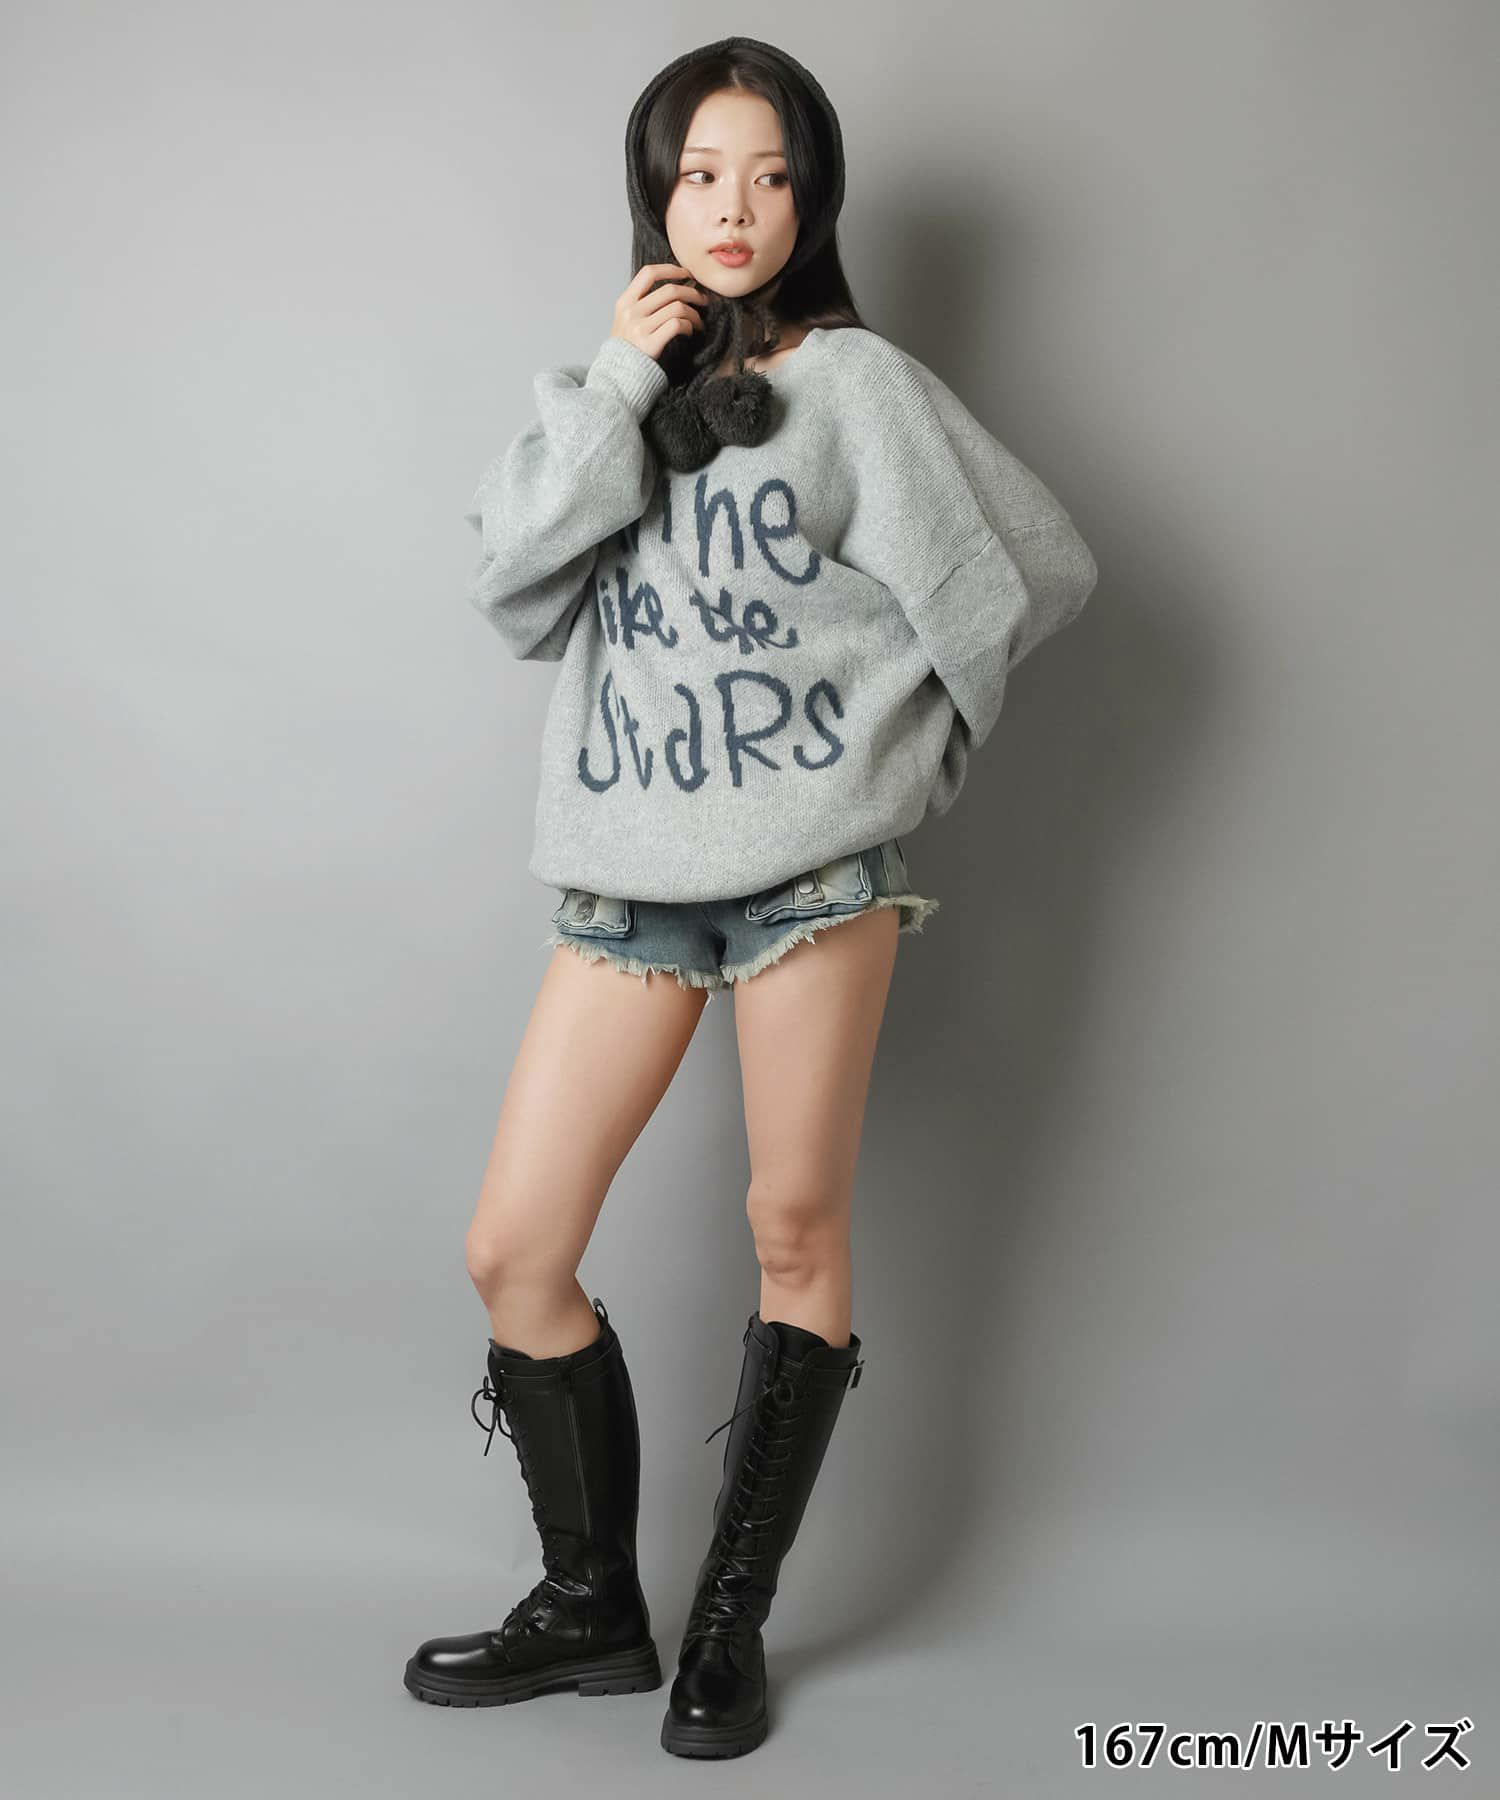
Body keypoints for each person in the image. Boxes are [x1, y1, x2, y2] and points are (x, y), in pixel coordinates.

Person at [403, 34, 1099, 1760]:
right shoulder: (608, 396)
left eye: (771, 176)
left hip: (810, 886)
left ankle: (730, 1624)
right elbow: (511, 587)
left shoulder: (859, 388)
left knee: (794, 1231)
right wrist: (618, 382)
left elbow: (1035, 569)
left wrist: (906, 755)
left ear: (813, 198)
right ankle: (590, 1608)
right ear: (656, 194)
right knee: (514, 1248)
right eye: (702, 175)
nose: (735, 209)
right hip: (630, 888)